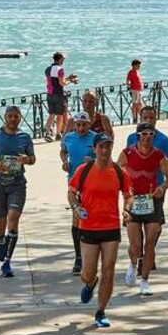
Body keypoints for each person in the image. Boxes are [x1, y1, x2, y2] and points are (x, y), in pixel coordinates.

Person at [70, 133, 131, 328]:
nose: (105, 150)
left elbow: (128, 195)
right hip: (88, 227)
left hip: (111, 227)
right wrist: (76, 207)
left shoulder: (119, 172)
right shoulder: (84, 170)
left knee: (109, 270)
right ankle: (90, 283)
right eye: (101, 147)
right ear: (95, 149)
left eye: (108, 146)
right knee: (87, 272)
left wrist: (127, 210)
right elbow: (71, 193)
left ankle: (101, 311)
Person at [0, 106, 36, 278]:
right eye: (10, 116)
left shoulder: (24, 137)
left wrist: (26, 159)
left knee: (13, 218)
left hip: (18, 184)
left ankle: (7, 262)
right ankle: (1, 239)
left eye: (16, 116)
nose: (12, 119)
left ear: (20, 118)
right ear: (5, 117)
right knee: (0, 224)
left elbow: (33, 159)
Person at [118, 122, 168, 296]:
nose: (147, 137)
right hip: (134, 201)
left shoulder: (159, 155)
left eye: (151, 134)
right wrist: (126, 190)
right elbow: (117, 173)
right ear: (138, 136)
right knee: (135, 245)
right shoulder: (127, 153)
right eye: (144, 134)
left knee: (150, 243)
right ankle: (133, 264)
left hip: (152, 201)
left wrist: (162, 188)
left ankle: (145, 281)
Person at [60, 112, 98, 275]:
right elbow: (63, 151)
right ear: (74, 125)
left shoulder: (96, 138)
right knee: (77, 216)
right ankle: (78, 258)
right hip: (74, 182)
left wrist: (94, 161)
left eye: (84, 125)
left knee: (90, 217)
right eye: (78, 125)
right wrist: (64, 161)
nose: (81, 128)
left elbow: (105, 155)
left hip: (93, 182)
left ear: (89, 125)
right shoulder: (68, 137)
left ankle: (91, 254)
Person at [44, 52, 78, 142]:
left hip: (49, 93)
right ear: (60, 59)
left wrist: (68, 78)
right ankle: (58, 134)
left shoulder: (48, 69)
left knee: (51, 114)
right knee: (59, 115)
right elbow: (61, 83)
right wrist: (70, 81)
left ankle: (47, 132)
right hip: (58, 94)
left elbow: (55, 80)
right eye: (63, 59)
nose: (63, 61)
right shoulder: (60, 69)